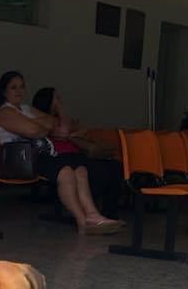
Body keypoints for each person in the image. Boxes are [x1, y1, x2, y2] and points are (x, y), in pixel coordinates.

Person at [0, 71, 122, 234]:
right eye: (13, 87)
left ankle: (93, 215)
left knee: (80, 170)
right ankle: (82, 222)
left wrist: (39, 124)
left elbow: (55, 124)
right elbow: (34, 131)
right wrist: (41, 125)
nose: (19, 91)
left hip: (41, 155)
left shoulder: (25, 109)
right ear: (3, 91)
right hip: (22, 160)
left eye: (22, 87)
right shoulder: (4, 112)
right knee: (65, 172)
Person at [31, 86, 123, 221]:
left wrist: (71, 132)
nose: (60, 101)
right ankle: (88, 210)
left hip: (77, 154)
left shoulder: (61, 120)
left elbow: (79, 129)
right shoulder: (44, 119)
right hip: (60, 157)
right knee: (97, 171)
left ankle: (110, 215)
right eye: (57, 98)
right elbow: (64, 130)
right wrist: (61, 111)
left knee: (115, 167)